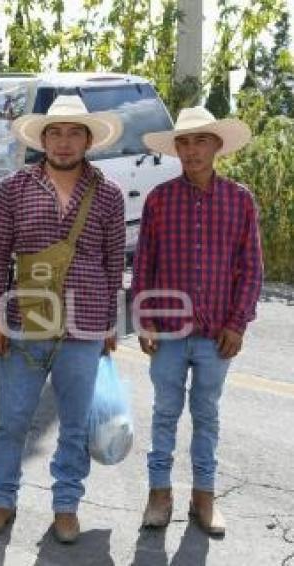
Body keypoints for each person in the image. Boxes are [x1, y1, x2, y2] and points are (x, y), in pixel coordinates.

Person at [0, 95, 126, 542]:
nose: (64, 142)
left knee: (76, 425)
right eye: (56, 133)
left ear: (88, 139)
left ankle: (66, 504)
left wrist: (108, 325)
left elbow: (113, 263)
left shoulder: (108, 194)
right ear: (42, 139)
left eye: (74, 132)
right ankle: (1, 501)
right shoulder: (13, 189)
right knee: (12, 421)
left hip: (83, 328)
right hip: (24, 322)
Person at [134, 106, 262, 538]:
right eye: (184, 142)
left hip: (215, 335)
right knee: (164, 414)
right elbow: (145, 265)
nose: (191, 150)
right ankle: (159, 494)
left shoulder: (240, 200)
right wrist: (144, 320)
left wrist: (238, 323)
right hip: (168, 332)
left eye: (200, 140)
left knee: (206, 415)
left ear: (217, 145)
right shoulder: (159, 199)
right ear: (176, 149)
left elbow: (251, 268)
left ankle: (204, 497)